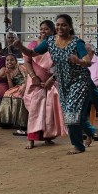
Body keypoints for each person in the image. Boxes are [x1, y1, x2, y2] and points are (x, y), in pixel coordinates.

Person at [12, 14, 93, 154]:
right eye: (58, 25)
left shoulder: (77, 43)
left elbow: (88, 61)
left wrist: (79, 61)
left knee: (71, 112)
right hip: (63, 82)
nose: (60, 27)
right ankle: (90, 132)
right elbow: (31, 53)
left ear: (70, 27)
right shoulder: (50, 41)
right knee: (72, 114)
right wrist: (20, 47)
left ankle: (78, 145)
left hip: (79, 81)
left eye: (64, 25)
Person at [16, 20, 67, 149]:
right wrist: (34, 77)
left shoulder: (57, 45)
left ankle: (48, 137)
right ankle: (31, 139)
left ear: (53, 31)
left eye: (46, 29)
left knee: (49, 110)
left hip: (50, 83)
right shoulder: (33, 45)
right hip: (35, 82)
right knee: (35, 110)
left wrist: (52, 78)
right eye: (41, 29)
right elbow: (27, 62)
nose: (43, 31)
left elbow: (60, 64)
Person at [0, 55, 28, 130]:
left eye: (12, 60)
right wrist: (8, 76)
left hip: (26, 85)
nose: (9, 62)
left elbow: (27, 78)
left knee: (19, 96)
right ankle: (5, 120)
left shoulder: (20, 67)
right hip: (16, 87)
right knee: (7, 94)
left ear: (16, 61)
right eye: (7, 60)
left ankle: (22, 122)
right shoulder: (8, 71)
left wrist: (24, 87)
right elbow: (11, 87)